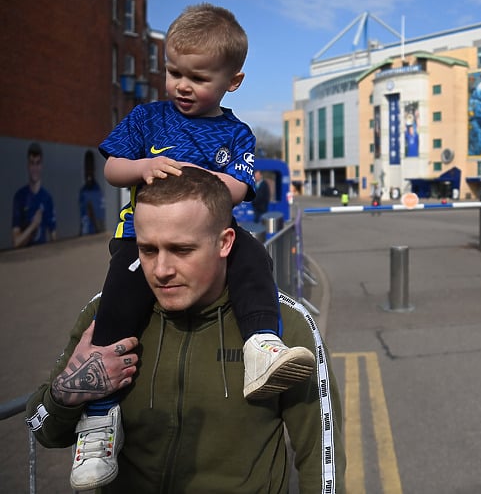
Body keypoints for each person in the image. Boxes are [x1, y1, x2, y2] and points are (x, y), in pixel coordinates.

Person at [75, 3, 315, 490]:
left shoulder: (235, 133)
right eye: (173, 72)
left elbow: (241, 186)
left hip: (211, 233)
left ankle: (261, 345)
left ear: (233, 81)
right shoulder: (147, 119)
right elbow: (112, 168)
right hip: (137, 235)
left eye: (198, 77)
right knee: (119, 307)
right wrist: (141, 169)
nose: (182, 85)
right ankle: (99, 418)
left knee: (254, 260)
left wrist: (202, 184)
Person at [25, 167, 345, 493]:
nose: (161, 270)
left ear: (224, 242)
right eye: (148, 250)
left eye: (181, 250)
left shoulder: (285, 324)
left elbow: (322, 462)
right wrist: (69, 392)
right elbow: (43, 428)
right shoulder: (105, 315)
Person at [12, 142, 57, 248]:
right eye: (32, 163)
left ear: (41, 166)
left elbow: (54, 237)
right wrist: (33, 226)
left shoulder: (47, 198)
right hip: (23, 258)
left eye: (38, 163)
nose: (35, 168)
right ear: (28, 165)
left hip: (42, 257)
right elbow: (15, 242)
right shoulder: (20, 197)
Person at [79, 150, 106, 235]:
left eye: (90, 167)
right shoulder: (83, 190)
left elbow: (98, 215)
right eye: (86, 167)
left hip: (94, 233)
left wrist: (98, 230)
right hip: (85, 232)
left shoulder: (96, 190)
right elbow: (82, 215)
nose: (88, 171)